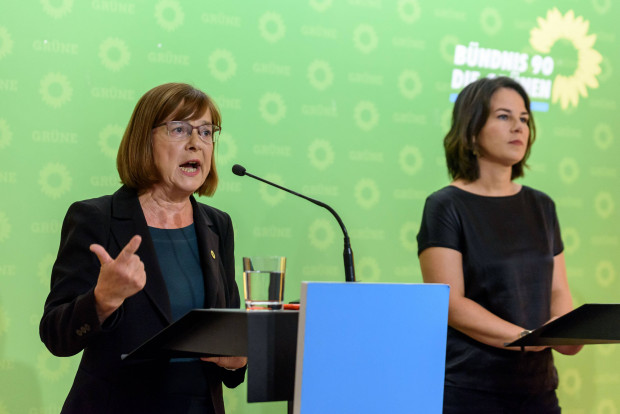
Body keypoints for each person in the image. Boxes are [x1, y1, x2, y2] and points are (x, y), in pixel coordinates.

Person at [40, 83, 247, 414]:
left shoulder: (217, 225)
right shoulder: (96, 219)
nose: (196, 143)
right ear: (144, 140)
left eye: (206, 132)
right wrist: (101, 300)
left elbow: (228, 342)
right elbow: (56, 336)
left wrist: (238, 360)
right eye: (179, 129)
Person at [416, 76, 583, 413]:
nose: (518, 127)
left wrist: (567, 333)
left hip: (539, 389)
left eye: (524, 119)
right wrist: (526, 338)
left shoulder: (542, 205)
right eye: (504, 116)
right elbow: (450, 303)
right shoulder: (445, 205)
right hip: (471, 390)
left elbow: (558, 292)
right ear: (471, 130)